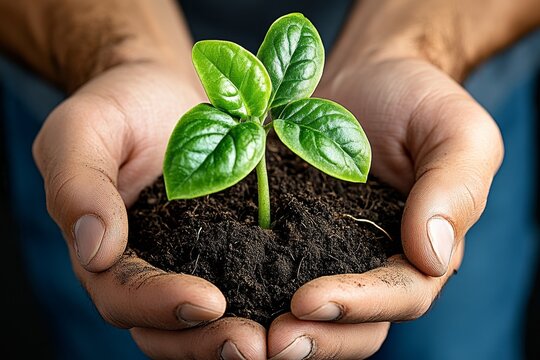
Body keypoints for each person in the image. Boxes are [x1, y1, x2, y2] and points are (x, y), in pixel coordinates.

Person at [0, 0, 539, 359]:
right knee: (114, 326)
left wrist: (413, 47)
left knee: (450, 340)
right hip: (90, 60)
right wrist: (115, 53)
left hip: (439, 58)